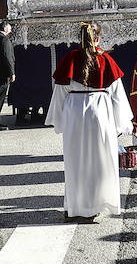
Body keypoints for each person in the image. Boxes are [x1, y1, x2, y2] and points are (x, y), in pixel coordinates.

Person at [46, 22, 129, 222]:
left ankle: (73, 207)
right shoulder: (106, 60)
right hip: (100, 113)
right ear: (98, 39)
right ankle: (93, 207)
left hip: (74, 113)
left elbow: (59, 94)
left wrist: (59, 122)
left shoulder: (69, 60)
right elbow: (117, 96)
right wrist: (122, 124)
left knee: (75, 162)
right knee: (98, 162)